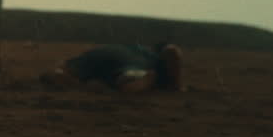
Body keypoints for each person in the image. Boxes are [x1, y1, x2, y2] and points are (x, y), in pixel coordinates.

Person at [41, 42, 185, 92]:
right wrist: (149, 80)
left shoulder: (142, 52)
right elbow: (128, 83)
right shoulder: (148, 63)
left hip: (102, 54)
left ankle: (63, 75)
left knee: (65, 72)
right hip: (116, 62)